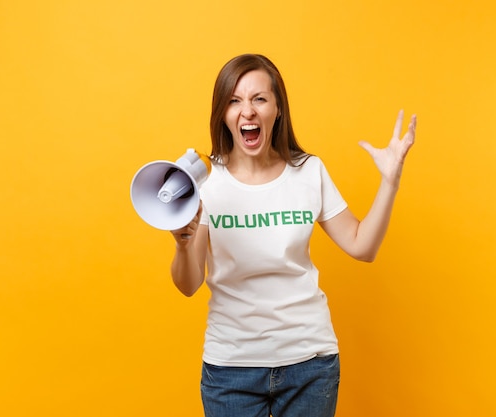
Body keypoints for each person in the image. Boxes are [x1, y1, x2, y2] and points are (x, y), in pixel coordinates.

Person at [169, 54, 416, 417]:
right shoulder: (205, 181)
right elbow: (189, 284)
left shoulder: (308, 172)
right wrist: (181, 241)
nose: (247, 111)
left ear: (278, 108)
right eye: (234, 101)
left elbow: (362, 246)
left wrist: (390, 179)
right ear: (223, 113)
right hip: (231, 368)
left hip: (310, 364)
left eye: (259, 99)